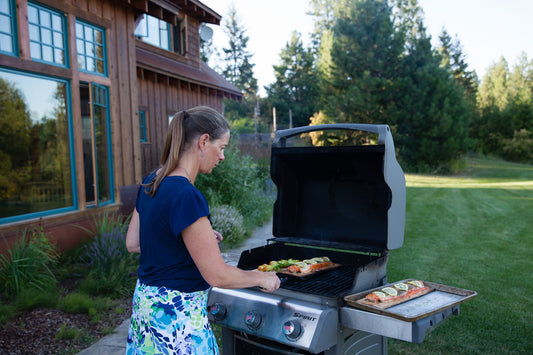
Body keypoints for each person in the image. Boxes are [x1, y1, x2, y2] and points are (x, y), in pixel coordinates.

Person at [125, 106, 280, 354]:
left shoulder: (152, 180)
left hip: (146, 311)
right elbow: (218, 276)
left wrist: (196, 240)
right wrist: (261, 277)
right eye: (222, 148)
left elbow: (133, 242)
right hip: (177, 319)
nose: (222, 157)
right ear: (204, 142)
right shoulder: (186, 195)